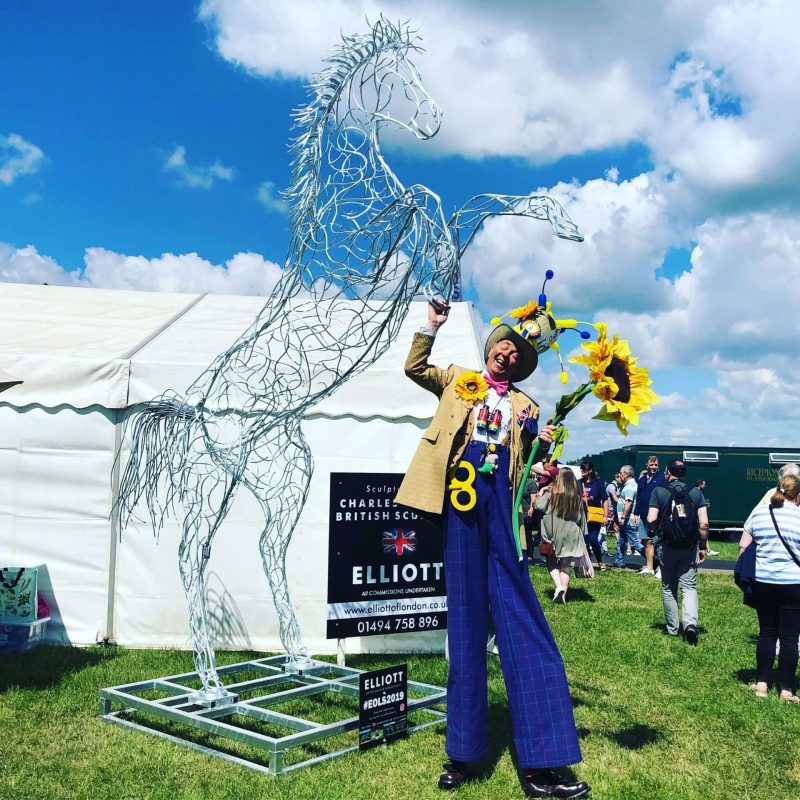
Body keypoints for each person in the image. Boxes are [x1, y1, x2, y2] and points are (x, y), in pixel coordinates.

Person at [395, 301, 589, 799]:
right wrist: (430, 327)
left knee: (522, 621)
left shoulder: (526, 406)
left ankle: (542, 762)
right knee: (464, 626)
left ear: (522, 363)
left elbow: (530, 462)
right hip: (460, 500)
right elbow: (414, 368)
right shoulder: (460, 379)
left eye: (517, 352)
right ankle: (461, 754)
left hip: (502, 506)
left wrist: (544, 447)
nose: (508, 354)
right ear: (492, 349)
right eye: (503, 345)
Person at [739, 474, 800, 703]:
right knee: (789, 638)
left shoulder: (760, 512)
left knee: (766, 632)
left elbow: (744, 545)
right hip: (794, 582)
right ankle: (786, 689)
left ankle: (762, 682)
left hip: (763, 581)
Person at [647, 460, 709, 644]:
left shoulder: (660, 491)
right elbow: (704, 524)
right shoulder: (696, 492)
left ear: (668, 472)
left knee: (668, 587)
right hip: (689, 547)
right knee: (689, 586)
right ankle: (690, 625)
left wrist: (658, 531)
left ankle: (672, 628)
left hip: (667, 546)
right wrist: (703, 545)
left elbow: (651, 518)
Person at [537, 468, 593, 601]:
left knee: (551, 562)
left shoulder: (552, 493)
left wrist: (541, 492)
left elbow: (539, 506)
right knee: (565, 565)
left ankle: (559, 587)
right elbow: (581, 518)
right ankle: (563, 595)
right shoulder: (576, 497)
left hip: (554, 533)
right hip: (572, 533)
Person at [634, 456, 665, 575]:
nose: (654, 467)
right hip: (643, 514)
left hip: (657, 515)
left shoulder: (662, 478)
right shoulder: (642, 480)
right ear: (647, 465)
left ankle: (662, 569)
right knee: (647, 542)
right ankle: (649, 567)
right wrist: (636, 513)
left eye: (656, 465)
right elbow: (639, 497)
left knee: (658, 542)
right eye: (651, 465)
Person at [613, 465, 644, 567]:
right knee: (621, 541)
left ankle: (652, 560)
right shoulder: (630, 485)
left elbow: (629, 503)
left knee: (634, 543)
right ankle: (619, 561)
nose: (619, 475)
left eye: (621, 473)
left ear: (626, 474)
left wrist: (623, 517)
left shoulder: (630, 487)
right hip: (627, 520)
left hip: (627, 520)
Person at [579, 461, 607, 570]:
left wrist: (605, 516)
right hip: (582, 515)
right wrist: (581, 499)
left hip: (595, 515)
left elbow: (604, 499)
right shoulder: (578, 483)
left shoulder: (598, 483)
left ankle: (600, 561)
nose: (582, 471)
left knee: (593, 539)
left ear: (590, 470)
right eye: (581, 469)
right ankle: (587, 562)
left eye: (584, 469)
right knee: (584, 540)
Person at [694, 479, 719, 556]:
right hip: (696, 517)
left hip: (697, 516)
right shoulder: (697, 492)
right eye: (704, 484)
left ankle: (708, 550)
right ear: (700, 484)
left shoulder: (697, 492)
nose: (705, 486)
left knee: (703, 533)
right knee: (702, 531)